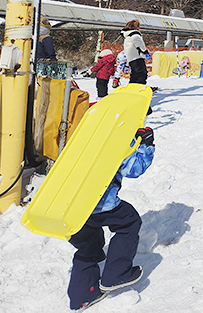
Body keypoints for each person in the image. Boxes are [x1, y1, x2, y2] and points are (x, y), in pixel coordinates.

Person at [67, 126, 155, 310]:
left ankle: (82, 295)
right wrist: (146, 145)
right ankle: (116, 274)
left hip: (73, 204)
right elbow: (134, 168)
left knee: (87, 245)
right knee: (129, 223)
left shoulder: (82, 133)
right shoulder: (118, 137)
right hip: (102, 204)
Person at [121, 20, 149, 85]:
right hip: (137, 56)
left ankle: (132, 85)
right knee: (141, 73)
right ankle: (139, 86)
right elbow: (139, 44)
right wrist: (145, 52)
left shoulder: (127, 35)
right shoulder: (134, 34)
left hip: (131, 57)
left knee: (135, 73)